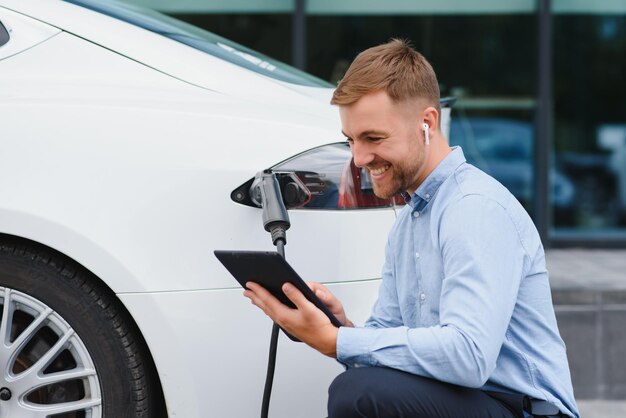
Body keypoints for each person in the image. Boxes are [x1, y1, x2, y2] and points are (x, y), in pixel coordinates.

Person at [244, 39, 579, 418]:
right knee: (362, 387)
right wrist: (339, 326)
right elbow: (384, 357)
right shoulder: (407, 224)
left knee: (358, 394)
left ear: (428, 123)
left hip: (524, 410)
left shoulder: (474, 208)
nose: (358, 158)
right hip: (470, 402)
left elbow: (469, 356)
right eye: (351, 140)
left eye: (374, 138)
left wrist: (338, 340)